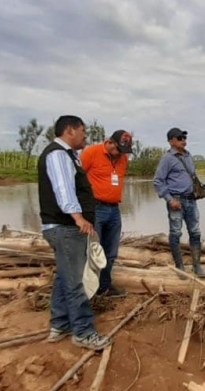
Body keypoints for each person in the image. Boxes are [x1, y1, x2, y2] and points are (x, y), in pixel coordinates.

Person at [37, 115, 112, 351]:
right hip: (67, 228)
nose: (85, 136)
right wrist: (78, 217)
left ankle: (59, 324)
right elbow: (63, 190)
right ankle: (83, 332)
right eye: (83, 131)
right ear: (69, 131)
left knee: (63, 277)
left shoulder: (69, 155)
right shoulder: (58, 154)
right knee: (76, 281)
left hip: (64, 228)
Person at [80, 129, 134, 298]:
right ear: (110, 142)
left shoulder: (123, 158)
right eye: (119, 150)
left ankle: (104, 287)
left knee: (110, 252)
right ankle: (87, 290)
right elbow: (76, 178)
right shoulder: (91, 152)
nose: (120, 155)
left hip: (114, 210)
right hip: (95, 209)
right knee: (93, 250)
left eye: (124, 152)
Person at [152, 127, 205, 279]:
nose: (183, 140)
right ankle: (179, 266)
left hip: (191, 200)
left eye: (184, 138)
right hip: (176, 200)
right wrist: (170, 200)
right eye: (179, 138)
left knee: (195, 232)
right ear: (171, 141)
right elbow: (158, 181)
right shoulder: (167, 159)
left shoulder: (188, 156)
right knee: (176, 232)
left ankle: (197, 266)